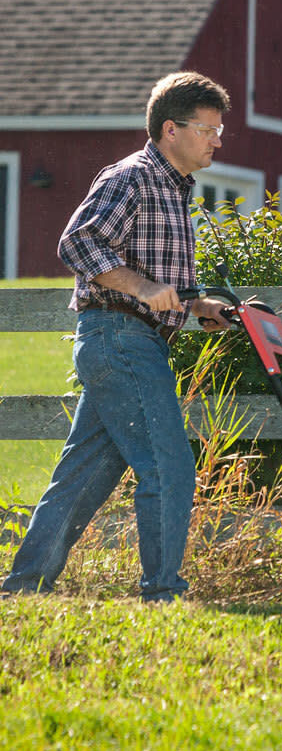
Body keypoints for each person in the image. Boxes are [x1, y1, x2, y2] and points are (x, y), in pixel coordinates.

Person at [2, 72, 233, 602]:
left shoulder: (174, 191)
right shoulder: (131, 177)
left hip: (132, 340)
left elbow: (154, 283)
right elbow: (79, 244)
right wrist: (146, 287)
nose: (218, 140)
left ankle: (24, 586)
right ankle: (163, 592)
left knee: (83, 476)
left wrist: (197, 306)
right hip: (118, 337)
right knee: (168, 464)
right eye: (209, 129)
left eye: (221, 131)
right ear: (171, 129)